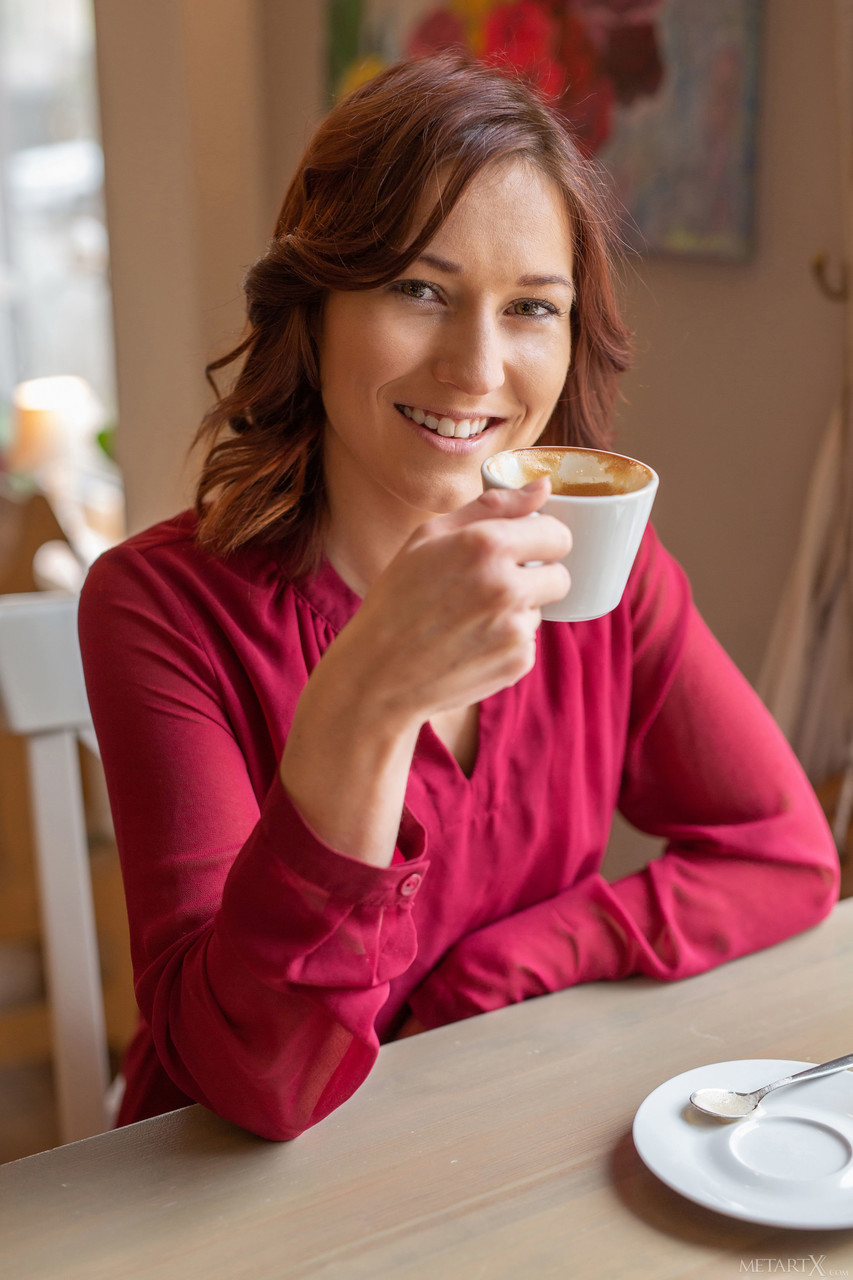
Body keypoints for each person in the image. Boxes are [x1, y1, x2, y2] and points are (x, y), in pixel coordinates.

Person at [79, 53, 839, 1142]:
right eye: (418, 289)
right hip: (222, 1187)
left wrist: (507, 964)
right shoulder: (158, 609)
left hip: (492, 1135)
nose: (477, 370)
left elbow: (782, 855)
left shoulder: (598, 570)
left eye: (530, 306)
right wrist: (368, 704)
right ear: (313, 305)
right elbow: (254, 1082)